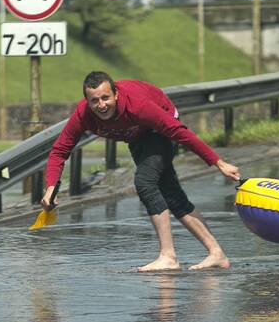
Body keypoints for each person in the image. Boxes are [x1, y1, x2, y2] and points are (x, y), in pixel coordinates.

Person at [42, 71, 241, 271]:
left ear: (116, 94)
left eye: (105, 98)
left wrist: (219, 163)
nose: (101, 105)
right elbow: (60, 150)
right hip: (137, 137)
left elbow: (178, 131)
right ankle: (217, 254)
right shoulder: (83, 114)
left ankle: (168, 256)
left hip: (160, 129)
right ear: (87, 101)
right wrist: (51, 188)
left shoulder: (138, 105)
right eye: (94, 101)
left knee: (145, 183)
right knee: (171, 195)